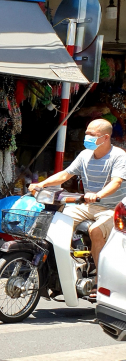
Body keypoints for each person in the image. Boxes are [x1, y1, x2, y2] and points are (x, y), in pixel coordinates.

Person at [29, 119, 126, 296]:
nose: (87, 137)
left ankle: (100, 279)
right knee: (57, 223)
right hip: (88, 205)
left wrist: (98, 195)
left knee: (96, 231)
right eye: (87, 133)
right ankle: (65, 269)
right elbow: (65, 174)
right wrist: (41, 184)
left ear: (105, 137)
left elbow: (117, 182)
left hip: (112, 208)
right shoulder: (84, 155)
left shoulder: (119, 156)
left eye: (92, 135)